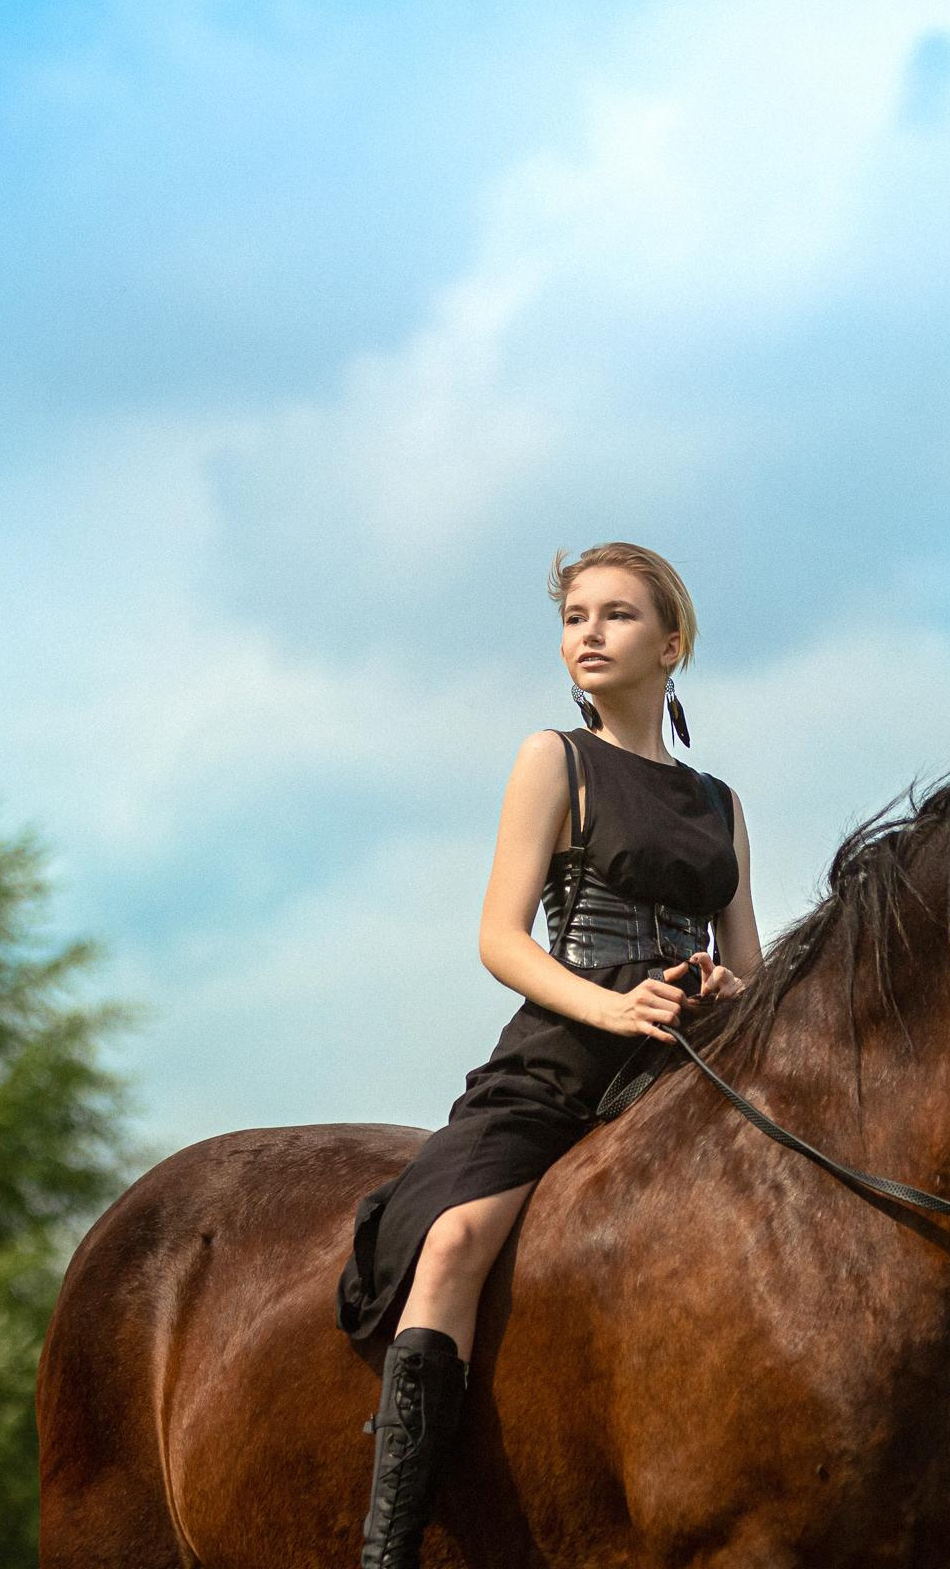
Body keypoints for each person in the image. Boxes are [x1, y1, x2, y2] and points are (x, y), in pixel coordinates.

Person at [334, 542, 764, 1569]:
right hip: (570, 1044)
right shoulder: (552, 760)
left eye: (616, 614)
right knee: (451, 1242)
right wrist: (613, 1012)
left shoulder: (722, 803)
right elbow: (500, 936)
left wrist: (718, 990)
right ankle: (392, 1543)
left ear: (673, 644)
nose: (589, 632)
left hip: (693, 1052)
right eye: (575, 615)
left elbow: (749, 963)